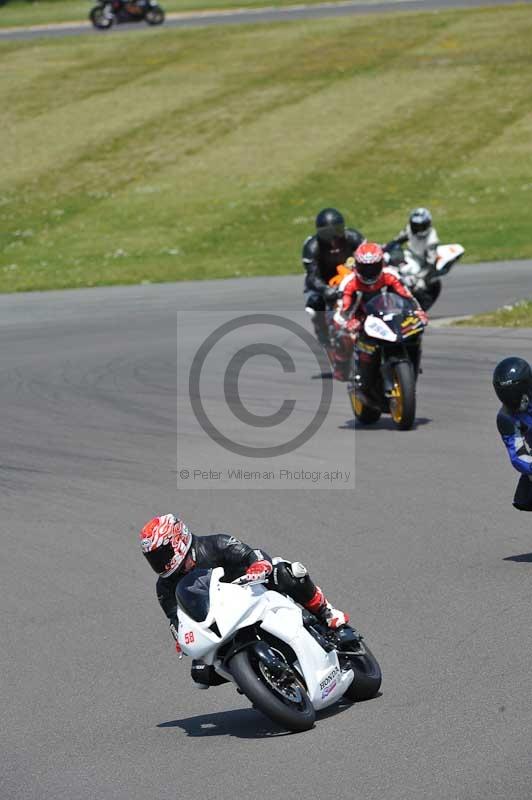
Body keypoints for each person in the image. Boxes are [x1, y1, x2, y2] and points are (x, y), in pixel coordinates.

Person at [140, 514, 350, 683]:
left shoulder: (215, 544)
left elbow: (252, 554)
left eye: (163, 554)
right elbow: (175, 618)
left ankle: (326, 612)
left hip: (253, 592)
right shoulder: (164, 587)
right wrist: (180, 638)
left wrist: (258, 566)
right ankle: (254, 680)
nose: (160, 563)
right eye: (154, 559)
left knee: (285, 572)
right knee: (201, 673)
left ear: (178, 540)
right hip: (221, 619)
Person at [332, 242, 427, 382]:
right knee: (343, 335)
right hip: (360, 318)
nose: (369, 273)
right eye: (364, 268)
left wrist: (418, 312)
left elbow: (407, 296)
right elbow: (342, 310)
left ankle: (411, 364)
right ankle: (344, 367)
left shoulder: (390, 275)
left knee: (415, 331)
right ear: (356, 266)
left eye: (373, 268)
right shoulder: (349, 282)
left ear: (381, 264)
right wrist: (348, 322)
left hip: (387, 313)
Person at [302, 208, 365, 345]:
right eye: (327, 233)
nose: (333, 238)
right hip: (323, 281)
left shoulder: (354, 237)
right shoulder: (312, 246)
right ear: (319, 233)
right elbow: (312, 276)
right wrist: (325, 289)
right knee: (314, 308)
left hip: (350, 278)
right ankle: (322, 331)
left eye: (337, 230)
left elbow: (368, 257)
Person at [493, 357, 532, 510]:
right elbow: (518, 456)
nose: (512, 399)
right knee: (524, 500)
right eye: (506, 394)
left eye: (514, 393)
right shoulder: (506, 418)